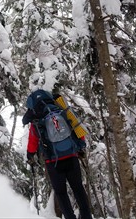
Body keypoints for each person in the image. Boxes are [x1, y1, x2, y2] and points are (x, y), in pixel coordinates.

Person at [23, 89, 93, 219]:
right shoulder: (63, 111)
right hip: (71, 155)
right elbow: (76, 127)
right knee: (78, 188)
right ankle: (87, 216)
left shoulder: (37, 120)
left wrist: (30, 155)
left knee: (61, 193)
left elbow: (33, 141)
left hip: (53, 161)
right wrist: (80, 147)